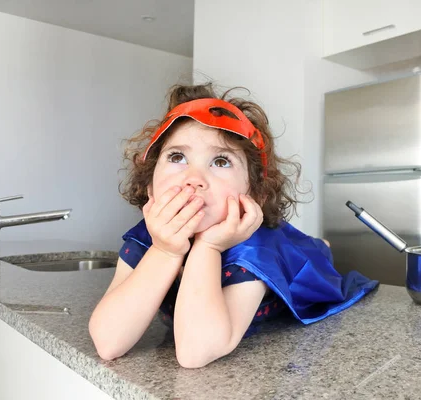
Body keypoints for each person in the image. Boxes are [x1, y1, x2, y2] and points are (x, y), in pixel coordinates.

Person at [88, 83, 378, 369]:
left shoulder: (254, 252)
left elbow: (196, 351)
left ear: (255, 194)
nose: (194, 177)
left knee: (309, 253)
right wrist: (165, 250)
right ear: (150, 186)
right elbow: (108, 342)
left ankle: (320, 246)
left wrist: (209, 247)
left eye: (221, 161)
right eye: (177, 157)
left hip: (284, 252)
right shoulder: (146, 238)